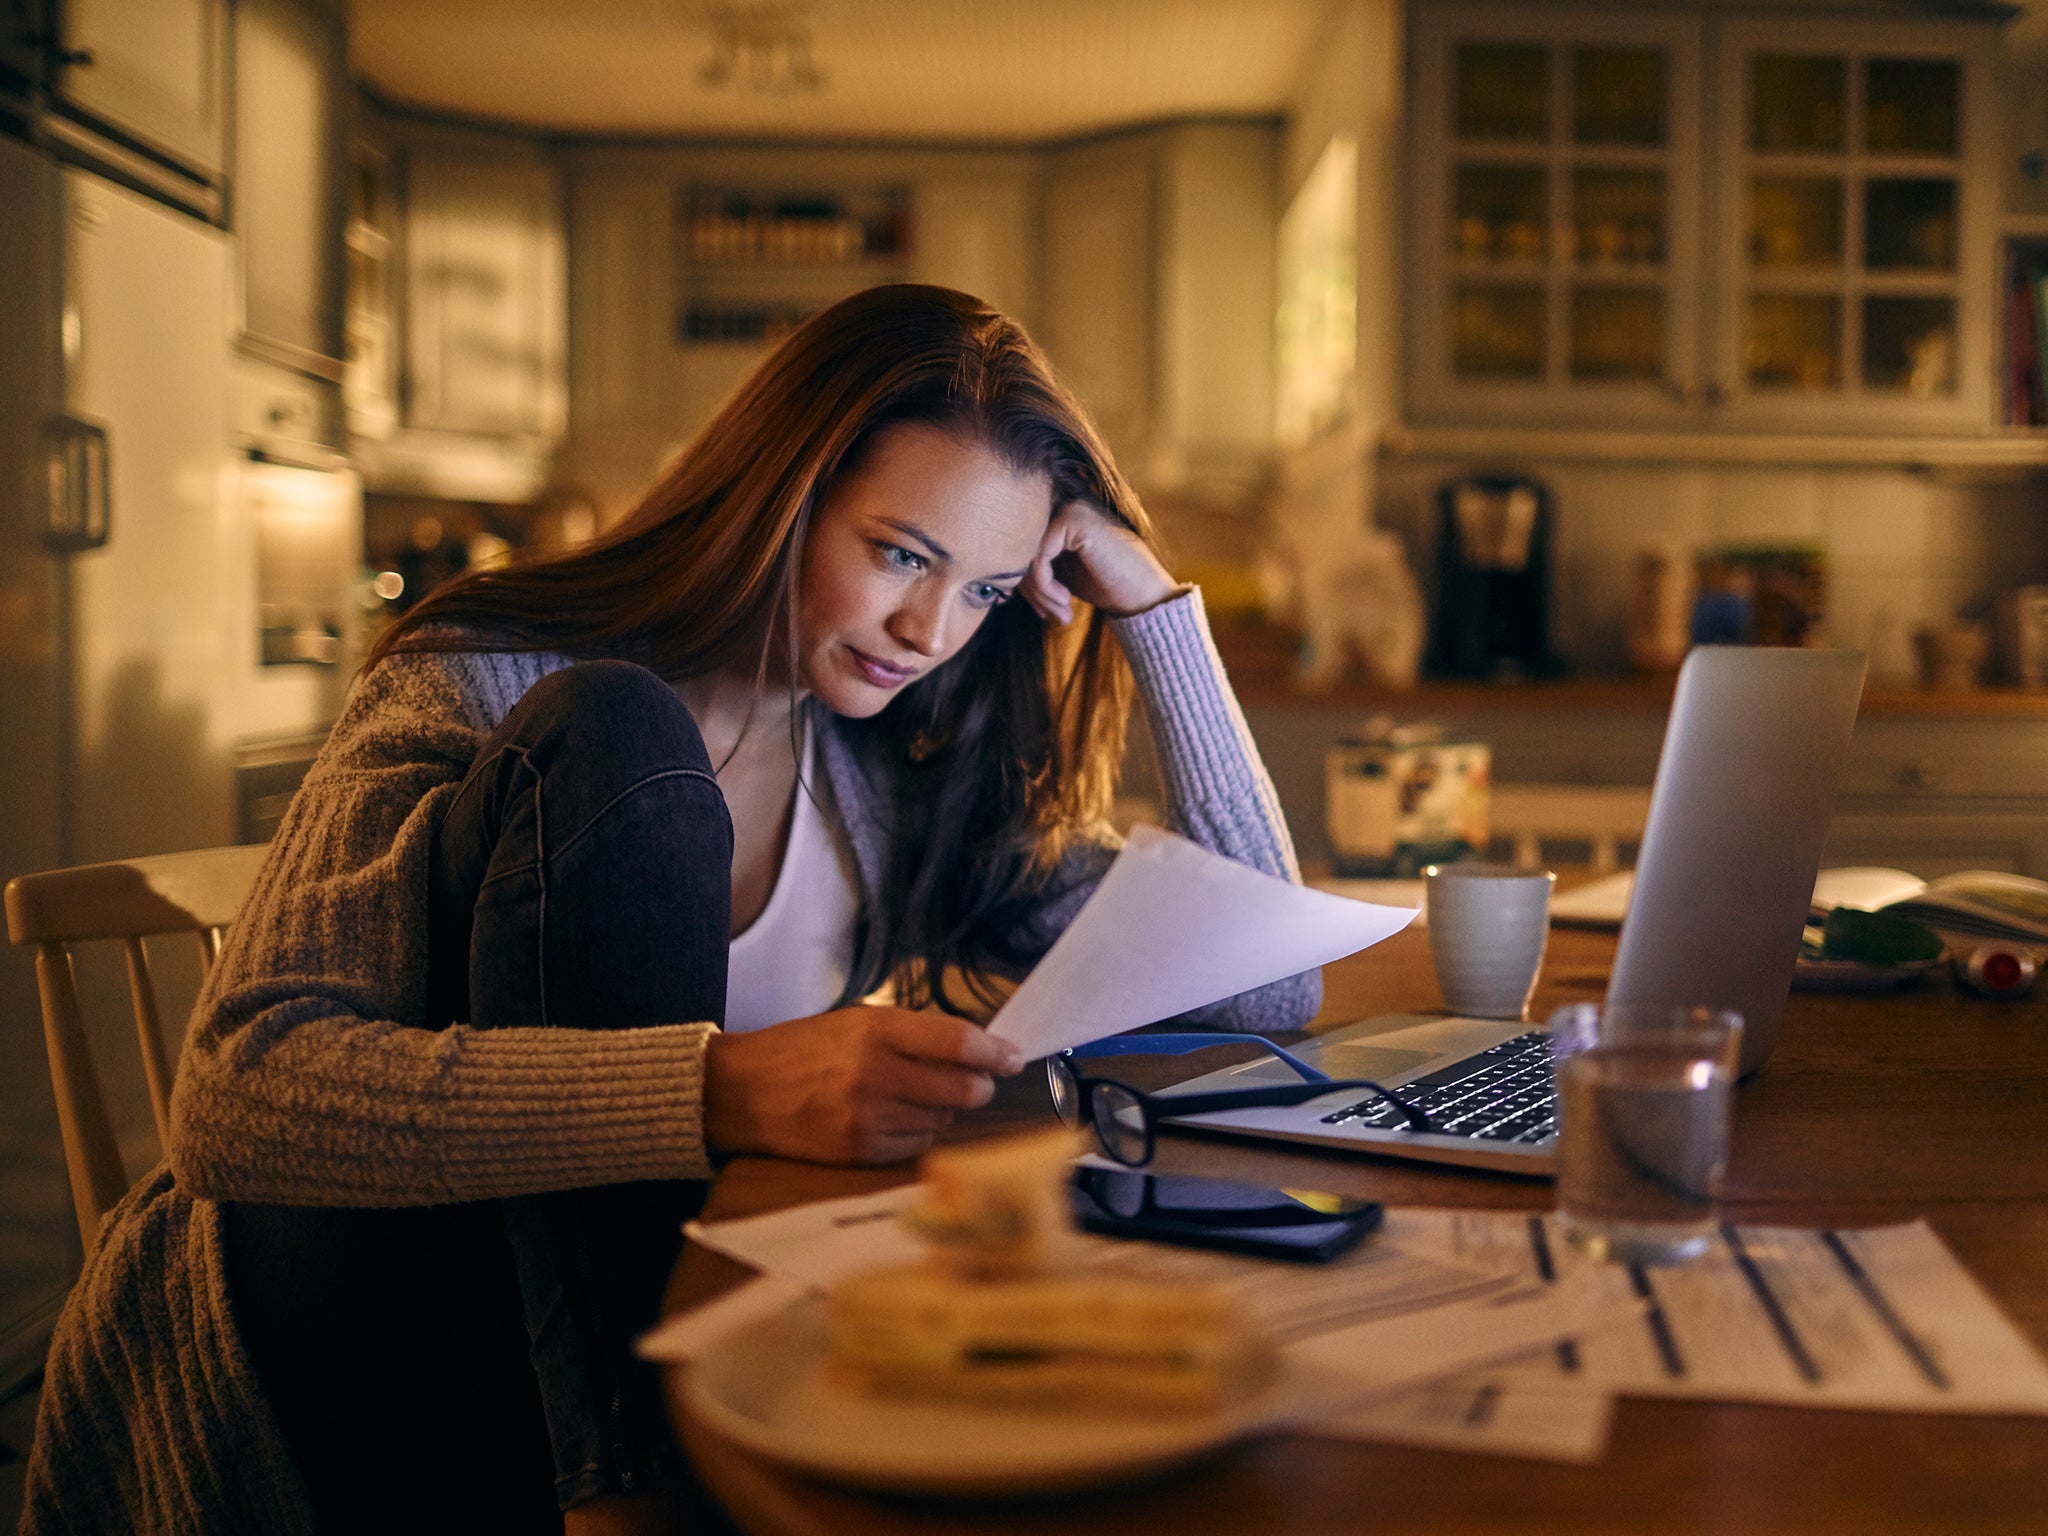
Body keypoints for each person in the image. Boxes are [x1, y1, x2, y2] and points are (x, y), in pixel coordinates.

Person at [19, 284, 1316, 1534]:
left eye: (982, 590)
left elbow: (1270, 986)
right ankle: (637, 1497)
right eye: (900, 553)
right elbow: (240, 1102)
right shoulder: (488, 679)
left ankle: (645, 1474)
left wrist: (1155, 609)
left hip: (614, 1358)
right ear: (784, 495)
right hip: (337, 1319)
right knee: (619, 730)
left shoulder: (885, 780)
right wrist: (722, 1092)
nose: (929, 629)